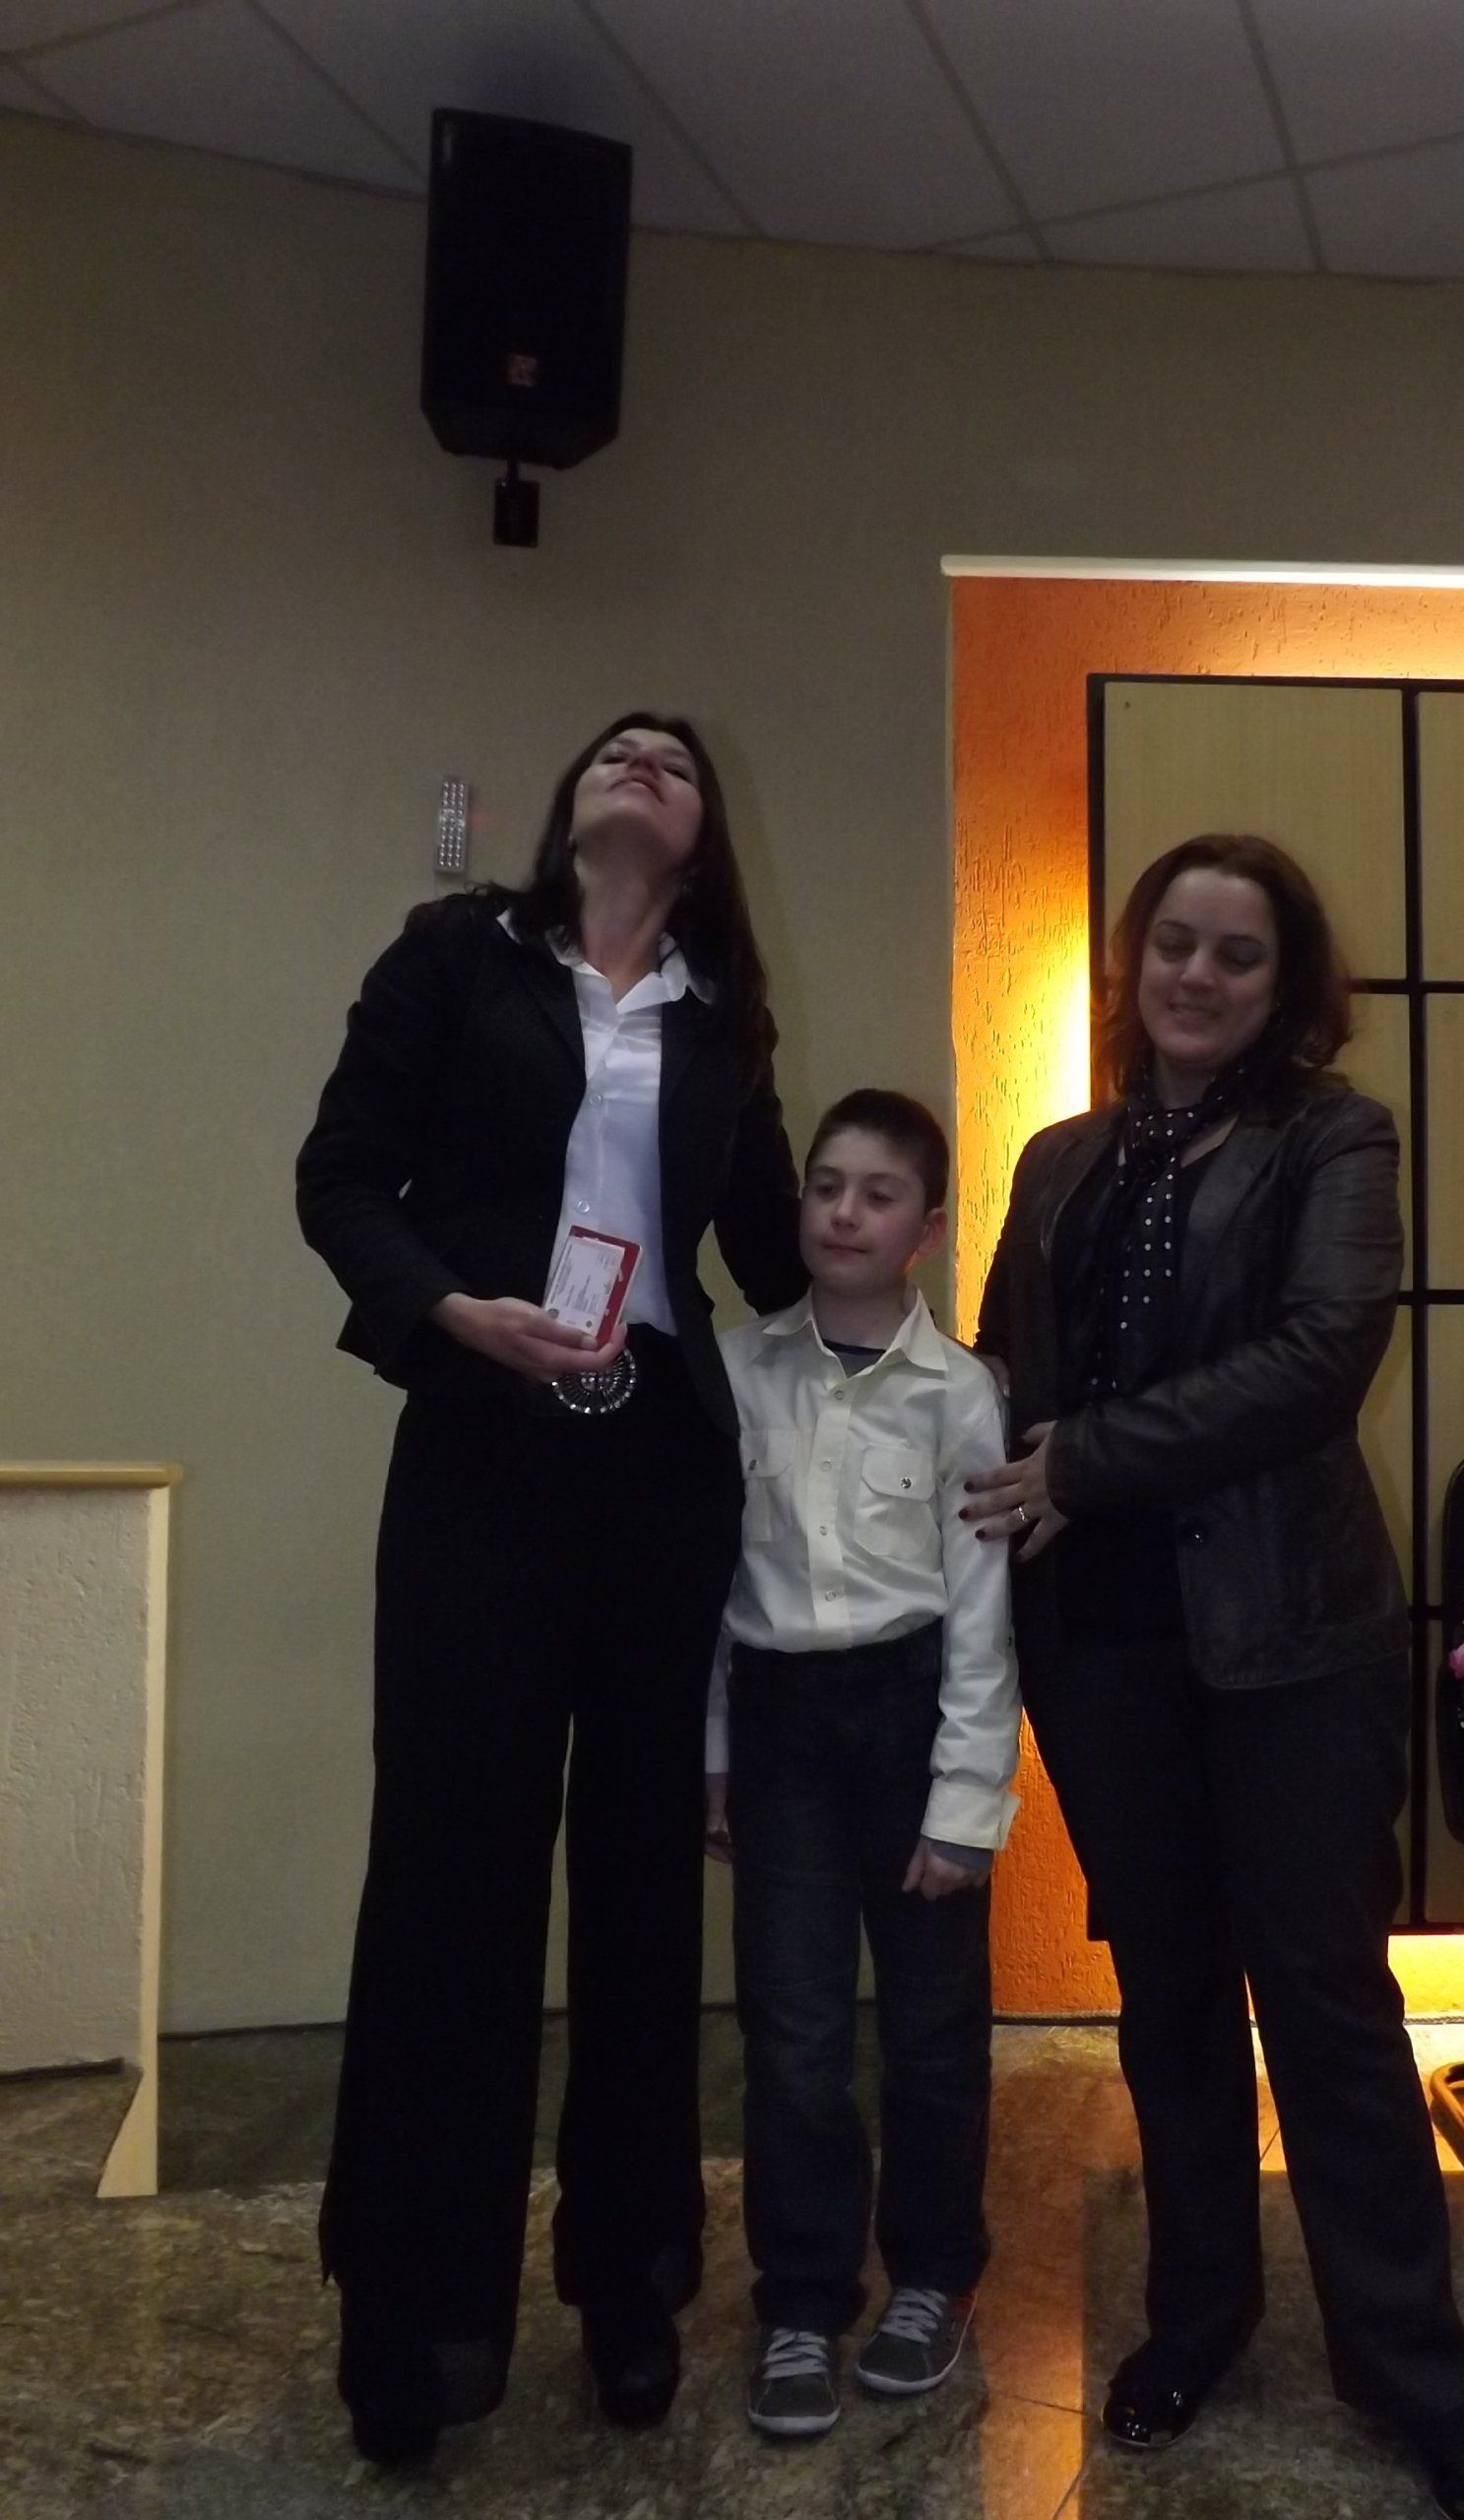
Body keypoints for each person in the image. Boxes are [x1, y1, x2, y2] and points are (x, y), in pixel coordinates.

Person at [968, 834, 1464, 2520]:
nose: (1198, 976)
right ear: (1133, 962)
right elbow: (1005, 1366)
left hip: (1289, 1636)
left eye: (1239, 953)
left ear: (1288, 987)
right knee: (1169, 1999)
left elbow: (1319, 1359)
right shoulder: (1061, 1157)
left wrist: (1086, 1461)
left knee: (1328, 2003)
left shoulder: (1334, 1137)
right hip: (1102, 1640)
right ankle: (1197, 2317)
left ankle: (1413, 2373)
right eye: (1176, 944)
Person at [295, 712, 804, 2465]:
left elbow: (773, 1252)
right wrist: (451, 1312)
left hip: (660, 1466)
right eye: (618, 747)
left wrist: (911, 1285)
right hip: (480, 1444)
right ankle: (419, 2316)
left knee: (646, 1881)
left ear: (703, 831)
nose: (643, 756)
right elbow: (339, 1178)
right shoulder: (458, 958)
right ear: (573, 807)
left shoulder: (724, 1016)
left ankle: (632, 2282)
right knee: (452, 1875)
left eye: (677, 756)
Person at [703, 1088, 1019, 2439]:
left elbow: (983, 1608)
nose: (843, 1212)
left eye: (878, 1194)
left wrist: (966, 1803)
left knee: (935, 2034)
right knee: (795, 2036)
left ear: (925, 1229)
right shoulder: (735, 1369)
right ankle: (800, 2296)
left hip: (912, 1715)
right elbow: (711, 1588)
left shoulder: (962, 1391)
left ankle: (934, 2275)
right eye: (826, 1185)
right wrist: (714, 1756)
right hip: (779, 1724)